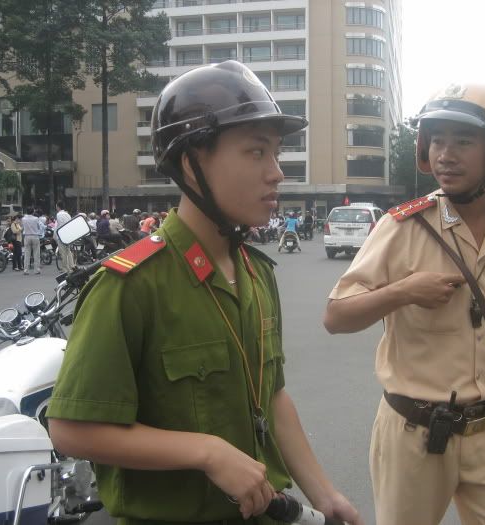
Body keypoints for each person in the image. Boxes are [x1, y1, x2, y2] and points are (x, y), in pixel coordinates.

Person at [47, 60, 362, 525]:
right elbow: (72, 429)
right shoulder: (131, 285)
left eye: (275, 153)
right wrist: (206, 453)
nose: (276, 172)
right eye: (256, 153)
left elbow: (272, 397)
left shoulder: (256, 272)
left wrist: (325, 492)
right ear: (192, 163)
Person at [324, 83, 485, 525]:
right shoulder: (400, 229)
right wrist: (404, 292)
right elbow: (336, 316)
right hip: (414, 436)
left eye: (463, 141)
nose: (445, 154)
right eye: (436, 140)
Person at [21, 206, 43, 275]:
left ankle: (26, 270)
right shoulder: (36, 218)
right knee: (36, 254)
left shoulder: (23, 219)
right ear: (33, 211)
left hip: (27, 236)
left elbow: (22, 227)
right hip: (35, 236)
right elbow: (39, 227)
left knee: (27, 254)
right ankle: (37, 269)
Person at [55, 201, 73, 273]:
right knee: (68, 251)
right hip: (68, 235)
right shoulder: (67, 214)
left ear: (58, 207)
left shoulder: (59, 214)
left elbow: (59, 225)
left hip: (61, 235)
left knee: (63, 253)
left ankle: (65, 269)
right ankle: (71, 267)